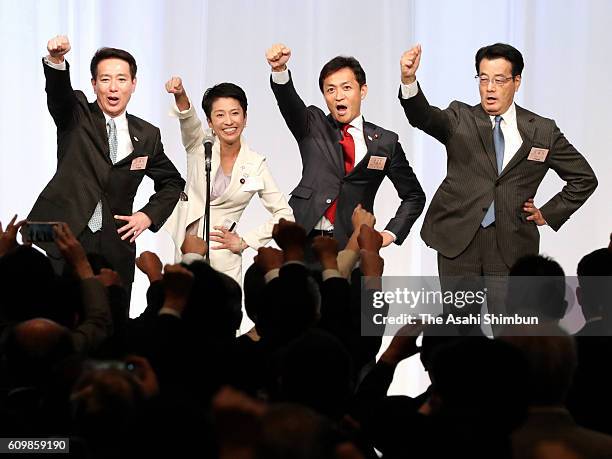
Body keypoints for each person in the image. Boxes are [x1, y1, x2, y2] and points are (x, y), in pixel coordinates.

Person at [398, 43, 598, 282]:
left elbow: (584, 178)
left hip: (512, 244)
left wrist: (549, 213)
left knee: (510, 320)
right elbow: (424, 117)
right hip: (459, 240)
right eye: (483, 79)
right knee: (458, 320)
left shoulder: (543, 131)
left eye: (499, 80)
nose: (490, 88)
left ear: (516, 81)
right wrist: (408, 80)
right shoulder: (460, 118)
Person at [27, 36, 185, 297]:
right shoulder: (77, 115)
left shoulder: (147, 135)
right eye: (105, 79)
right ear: (94, 84)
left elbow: (172, 182)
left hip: (116, 247)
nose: (113, 88)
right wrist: (56, 61)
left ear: (133, 84)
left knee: (114, 328)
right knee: (64, 320)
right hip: (67, 239)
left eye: (122, 79)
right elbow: (58, 95)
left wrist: (147, 216)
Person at [266, 43, 425, 254]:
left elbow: (414, 195)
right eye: (330, 90)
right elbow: (289, 101)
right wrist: (279, 70)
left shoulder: (385, 142)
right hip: (303, 241)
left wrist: (389, 234)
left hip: (353, 246)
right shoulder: (312, 124)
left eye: (346, 87)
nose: (338, 96)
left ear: (363, 90)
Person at [163, 77, 294, 284]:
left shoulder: (255, 163)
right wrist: (180, 94)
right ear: (210, 121)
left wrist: (245, 242)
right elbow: (188, 120)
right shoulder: (200, 145)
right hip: (188, 248)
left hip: (222, 255)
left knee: (223, 314)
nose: (229, 121)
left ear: (245, 117)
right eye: (220, 115)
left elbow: (285, 215)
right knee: (185, 312)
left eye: (235, 113)